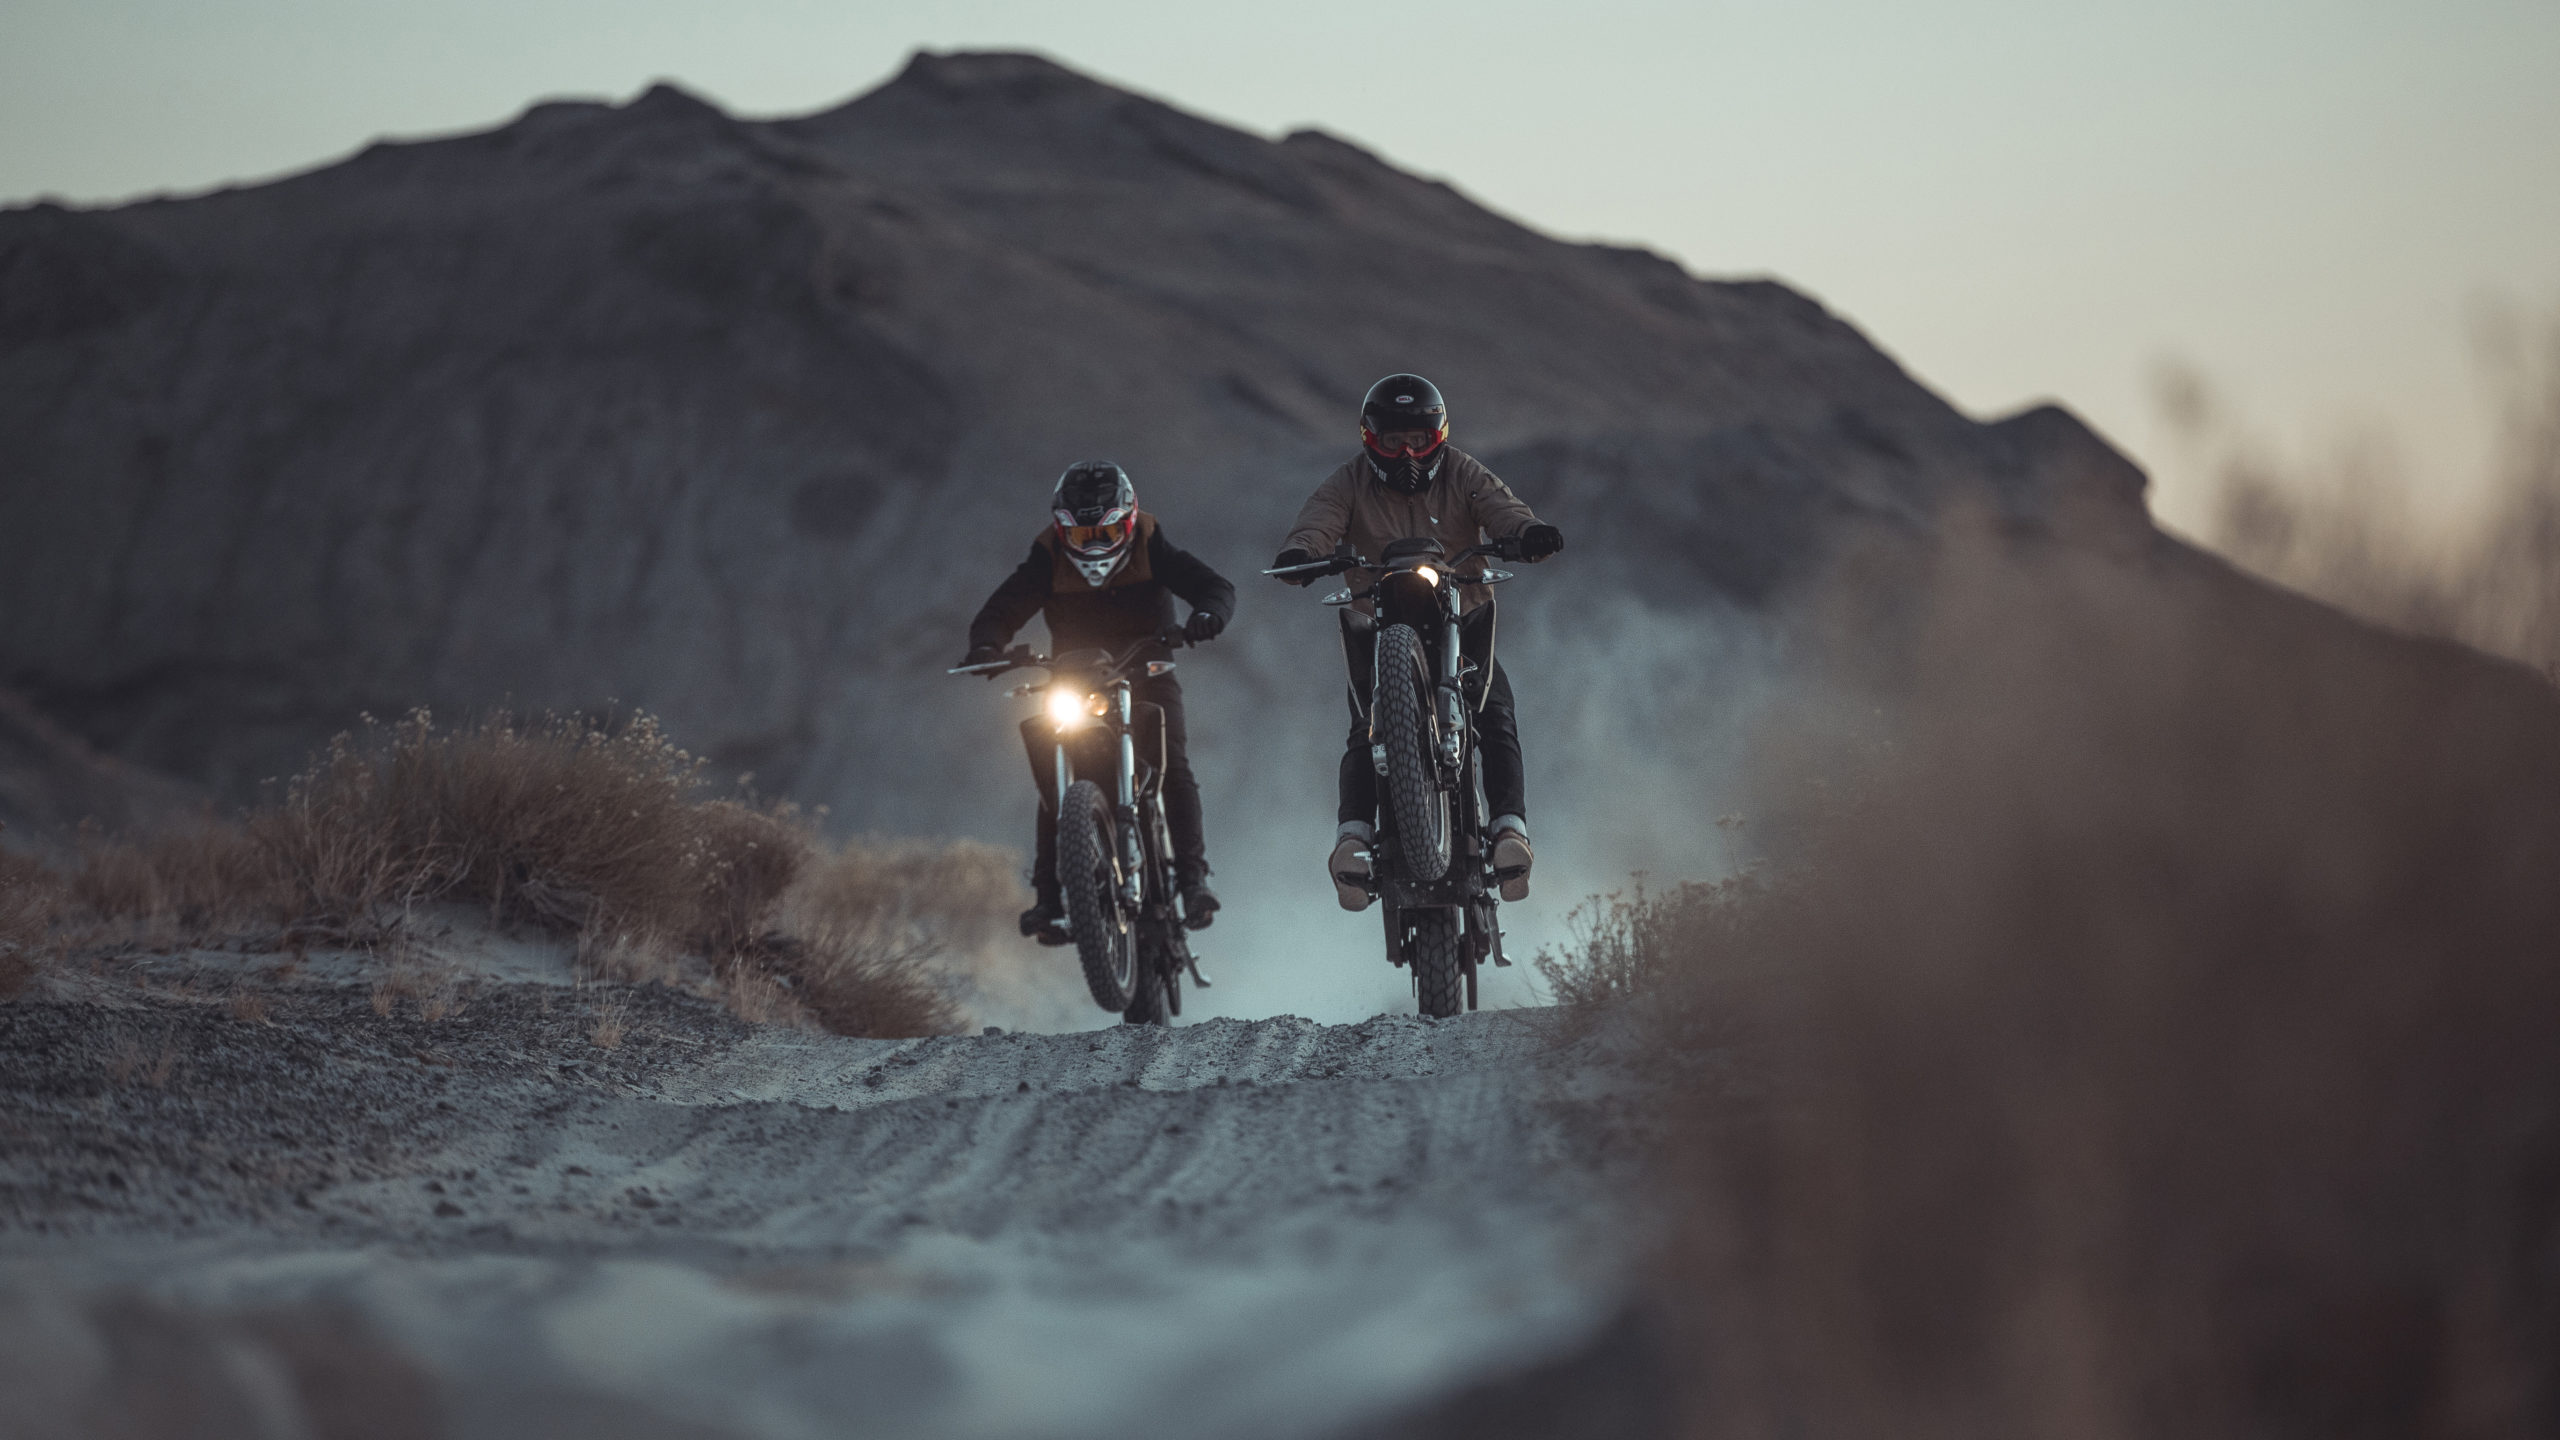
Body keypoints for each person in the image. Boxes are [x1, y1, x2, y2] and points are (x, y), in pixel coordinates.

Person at [1270, 374, 1563, 911]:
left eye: (1420, 442)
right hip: (1374, 622)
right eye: (1391, 442)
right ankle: (1353, 842)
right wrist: (1300, 555)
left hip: (1462, 613)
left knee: (1494, 713)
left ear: (1440, 438)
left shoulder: (1463, 472)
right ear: (1368, 439)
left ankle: (1508, 832)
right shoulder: (1348, 482)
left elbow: (1504, 510)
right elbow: (1316, 524)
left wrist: (1527, 533)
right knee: (1366, 725)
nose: (1406, 454)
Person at [962, 460, 1235, 940]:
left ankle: (1193, 880)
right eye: (1082, 534)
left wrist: (1208, 614)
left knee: (1174, 766)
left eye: (1104, 531)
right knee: (1056, 779)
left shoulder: (1153, 544)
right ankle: (1048, 899)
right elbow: (1002, 608)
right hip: (1074, 679)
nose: (1093, 544)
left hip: (1148, 671)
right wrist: (987, 644)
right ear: (1062, 529)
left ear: (1127, 521)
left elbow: (1214, 587)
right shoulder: (1046, 557)